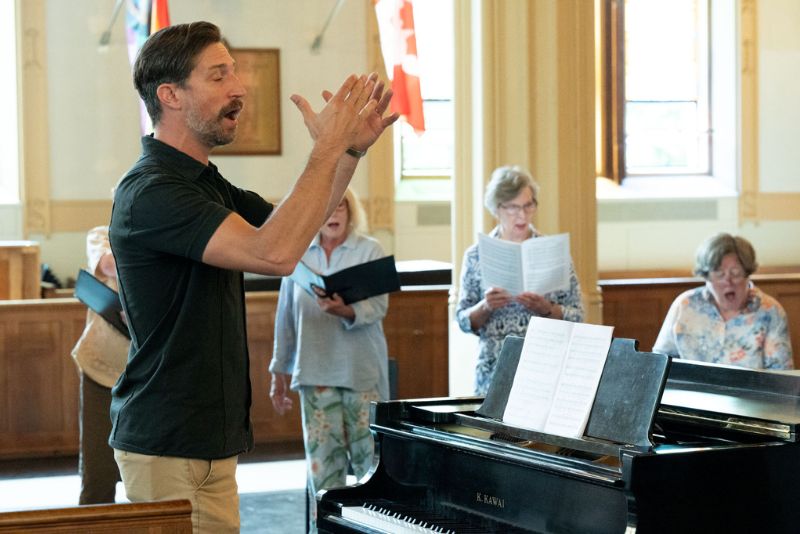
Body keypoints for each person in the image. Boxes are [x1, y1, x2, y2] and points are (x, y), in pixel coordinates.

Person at [108, 21, 397, 533]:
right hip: (166, 443)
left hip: (211, 443)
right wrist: (325, 150)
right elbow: (276, 254)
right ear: (170, 95)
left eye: (235, 72)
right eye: (219, 76)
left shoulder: (204, 183)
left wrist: (348, 153)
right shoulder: (151, 191)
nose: (239, 87)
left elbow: (297, 228)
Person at [269, 187, 388, 530]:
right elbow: (285, 320)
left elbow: (379, 307)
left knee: (371, 470)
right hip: (315, 374)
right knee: (324, 473)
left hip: (361, 374)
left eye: (341, 206)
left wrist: (346, 310)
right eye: (327, 207)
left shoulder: (369, 250)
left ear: (351, 213)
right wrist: (278, 371)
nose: (334, 214)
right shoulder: (297, 257)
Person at [456, 165, 585, 395]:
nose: (522, 215)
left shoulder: (555, 252)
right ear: (497, 208)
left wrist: (546, 309)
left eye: (528, 205)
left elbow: (577, 314)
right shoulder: (476, 255)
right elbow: (463, 321)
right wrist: (486, 306)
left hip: (544, 370)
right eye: (513, 208)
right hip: (494, 372)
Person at [653, 233, 793, 369]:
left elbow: (780, 375)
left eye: (736, 273)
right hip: (692, 392)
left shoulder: (770, 311)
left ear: (747, 273)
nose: (728, 281)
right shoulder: (685, 305)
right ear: (706, 276)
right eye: (719, 274)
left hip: (750, 392)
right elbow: (659, 363)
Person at [70, 226, 129, 504]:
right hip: (100, 371)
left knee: (152, 479)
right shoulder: (101, 234)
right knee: (98, 475)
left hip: (149, 376)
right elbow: (108, 264)